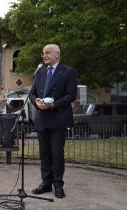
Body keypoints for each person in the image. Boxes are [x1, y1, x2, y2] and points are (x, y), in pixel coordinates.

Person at [29, 44, 77, 198]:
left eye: (48, 53)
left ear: (57, 54)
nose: (45, 56)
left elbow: (71, 95)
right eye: (43, 53)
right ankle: (46, 184)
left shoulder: (68, 71)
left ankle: (58, 185)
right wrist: (35, 101)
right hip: (42, 118)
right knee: (44, 154)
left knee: (57, 154)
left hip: (58, 117)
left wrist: (54, 104)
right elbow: (32, 93)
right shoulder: (40, 72)